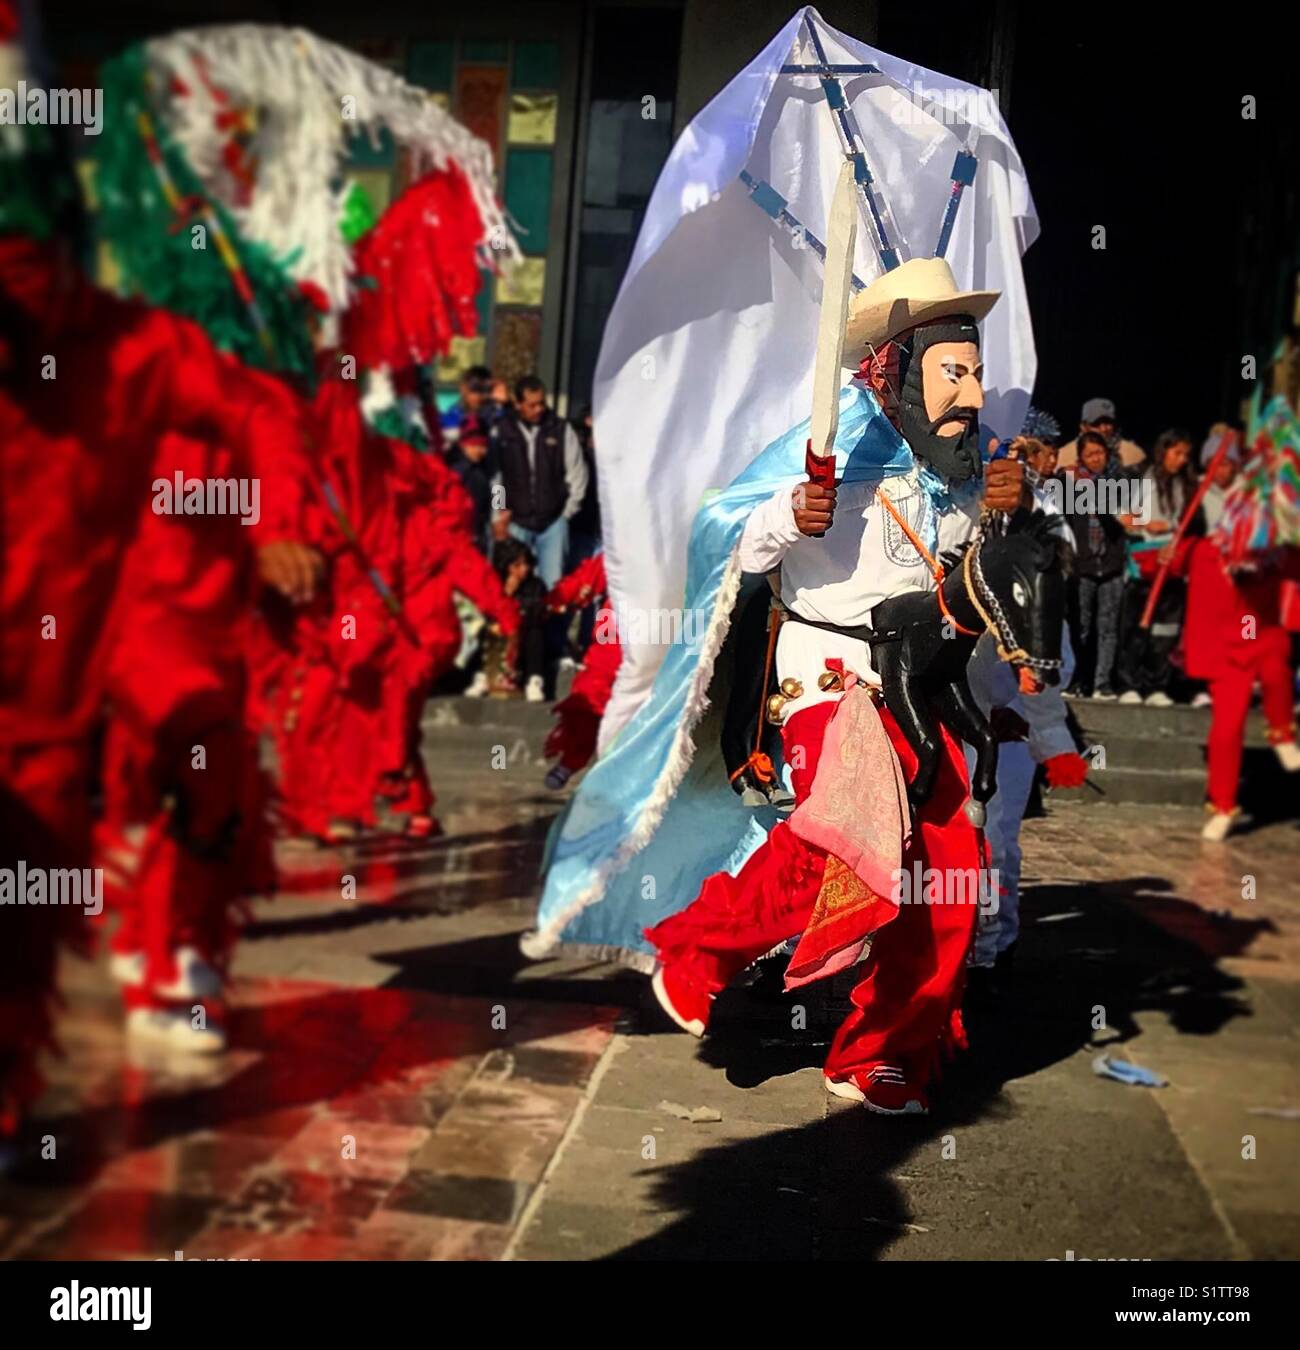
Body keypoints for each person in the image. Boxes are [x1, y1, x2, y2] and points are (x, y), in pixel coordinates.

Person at [645, 258, 1028, 1115]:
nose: (969, 392)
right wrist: (789, 513)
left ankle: (880, 1049)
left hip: (922, 685)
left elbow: (986, 571)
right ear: (899, 362)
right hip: (832, 675)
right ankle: (697, 950)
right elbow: (722, 534)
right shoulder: (825, 438)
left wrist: (1012, 504)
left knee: (952, 867)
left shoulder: (975, 457)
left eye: (974, 370)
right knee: (848, 836)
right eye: (951, 371)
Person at [1116, 428, 1199, 705]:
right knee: (1137, 627)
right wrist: (1147, 525)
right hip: (1144, 563)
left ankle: (1157, 684)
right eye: (1177, 453)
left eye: (1186, 455)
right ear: (1164, 452)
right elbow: (1123, 517)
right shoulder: (1143, 479)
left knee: (1165, 629)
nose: (1182, 460)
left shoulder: (1187, 486)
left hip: (1174, 565)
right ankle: (1130, 683)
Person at [494, 375, 589, 587]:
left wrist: (566, 513)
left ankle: (546, 622)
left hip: (553, 524)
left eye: (541, 403)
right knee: (512, 585)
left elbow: (577, 474)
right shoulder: (502, 431)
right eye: (532, 405)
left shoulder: (561, 429)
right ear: (518, 404)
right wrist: (499, 511)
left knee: (552, 586)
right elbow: (497, 477)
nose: (538, 409)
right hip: (516, 522)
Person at [1064, 430, 1129, 698]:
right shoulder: (1068, 483)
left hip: (1111, 563)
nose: (1095, 459)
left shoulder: (1119, 481)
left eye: (1099, 453)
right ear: (1081, 457)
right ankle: (1078, 680)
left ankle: (1102, 683)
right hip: (1083, 566)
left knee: (1108, 627)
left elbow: (1124, 515)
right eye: (1089, 454)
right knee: (1080, 626)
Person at [492, 537, 548, 702]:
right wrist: (507, 594)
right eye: (517, 565)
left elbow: (537, 610)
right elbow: (490, 612)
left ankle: (534, 680)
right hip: (502, 639)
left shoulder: (536, 584)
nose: (524, 569)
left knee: (535, 632)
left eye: (526, 564)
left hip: (524, 638)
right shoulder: (496, 583)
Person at [1057, 397, 1146, 471]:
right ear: (1083, 426)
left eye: (1108, 422)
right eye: (1096, 423)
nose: (1103, 429)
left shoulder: (1133, 453)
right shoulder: (1064, 456)